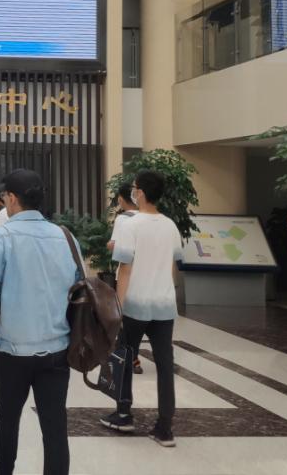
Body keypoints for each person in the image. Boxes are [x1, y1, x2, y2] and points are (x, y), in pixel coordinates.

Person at [0, 169, 80, 475]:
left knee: (8, 416)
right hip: (57, 348)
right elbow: (78, 284)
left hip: (13, 348)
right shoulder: (65, 237)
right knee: (55, 425)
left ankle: (4, 471)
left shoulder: (2, 236)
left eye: (4, 197)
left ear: (12, 198)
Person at [101, 170, 183, 448]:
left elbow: (125, 269)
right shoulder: (170, 225)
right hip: (164, 304)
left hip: (135, 303)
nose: (133, 191)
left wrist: (118, 307)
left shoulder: (130, 224)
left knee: (124, 357)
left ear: (142, 193)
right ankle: (165, 427)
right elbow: (172, 266)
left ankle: (124, 414)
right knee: (165, 364)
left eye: (135, 187)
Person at [108, 182, 143, 374]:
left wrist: (110, 245)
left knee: (126, 318)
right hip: (146, 274)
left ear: (121, 199)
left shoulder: (123, 219)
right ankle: (133, 356)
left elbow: (115, 246)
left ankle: (128, 357)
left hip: (127, 274)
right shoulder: (149, 218)